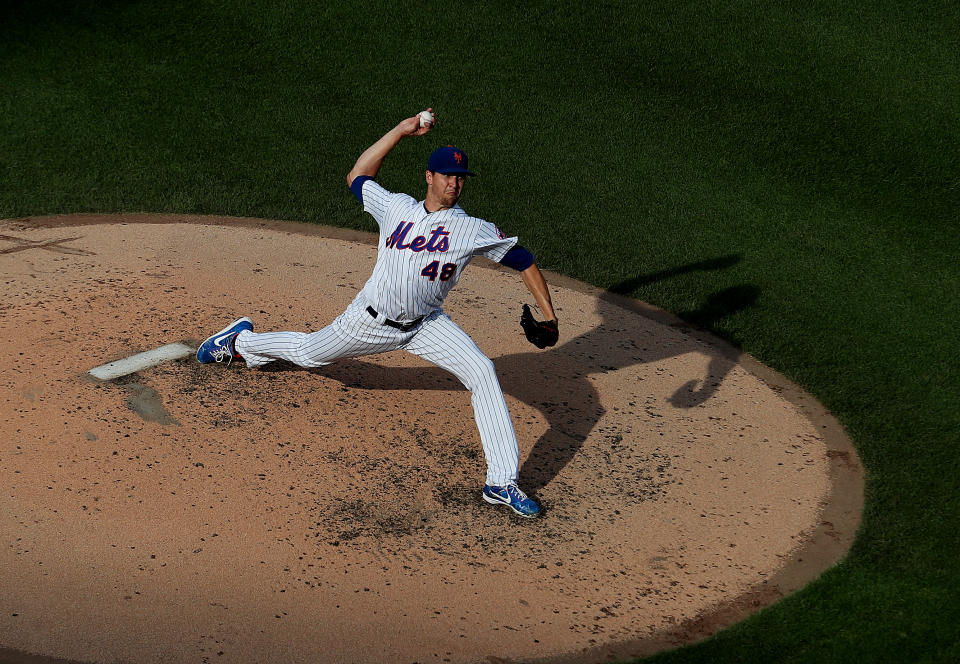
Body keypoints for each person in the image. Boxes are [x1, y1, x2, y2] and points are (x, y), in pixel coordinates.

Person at [196, 110, 558, 518]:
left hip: (426, 325)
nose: (455, 183)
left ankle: (501, 482)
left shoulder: (472, 228)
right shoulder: (396, 208)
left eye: (460, 178)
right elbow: (357, 175)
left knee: (482, 372)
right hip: (367, 321)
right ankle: (240, 342)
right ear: (429, 177)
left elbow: (524, 259)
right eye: (446, 176)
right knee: (310, 352)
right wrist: (402, 131)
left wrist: (550, 315)